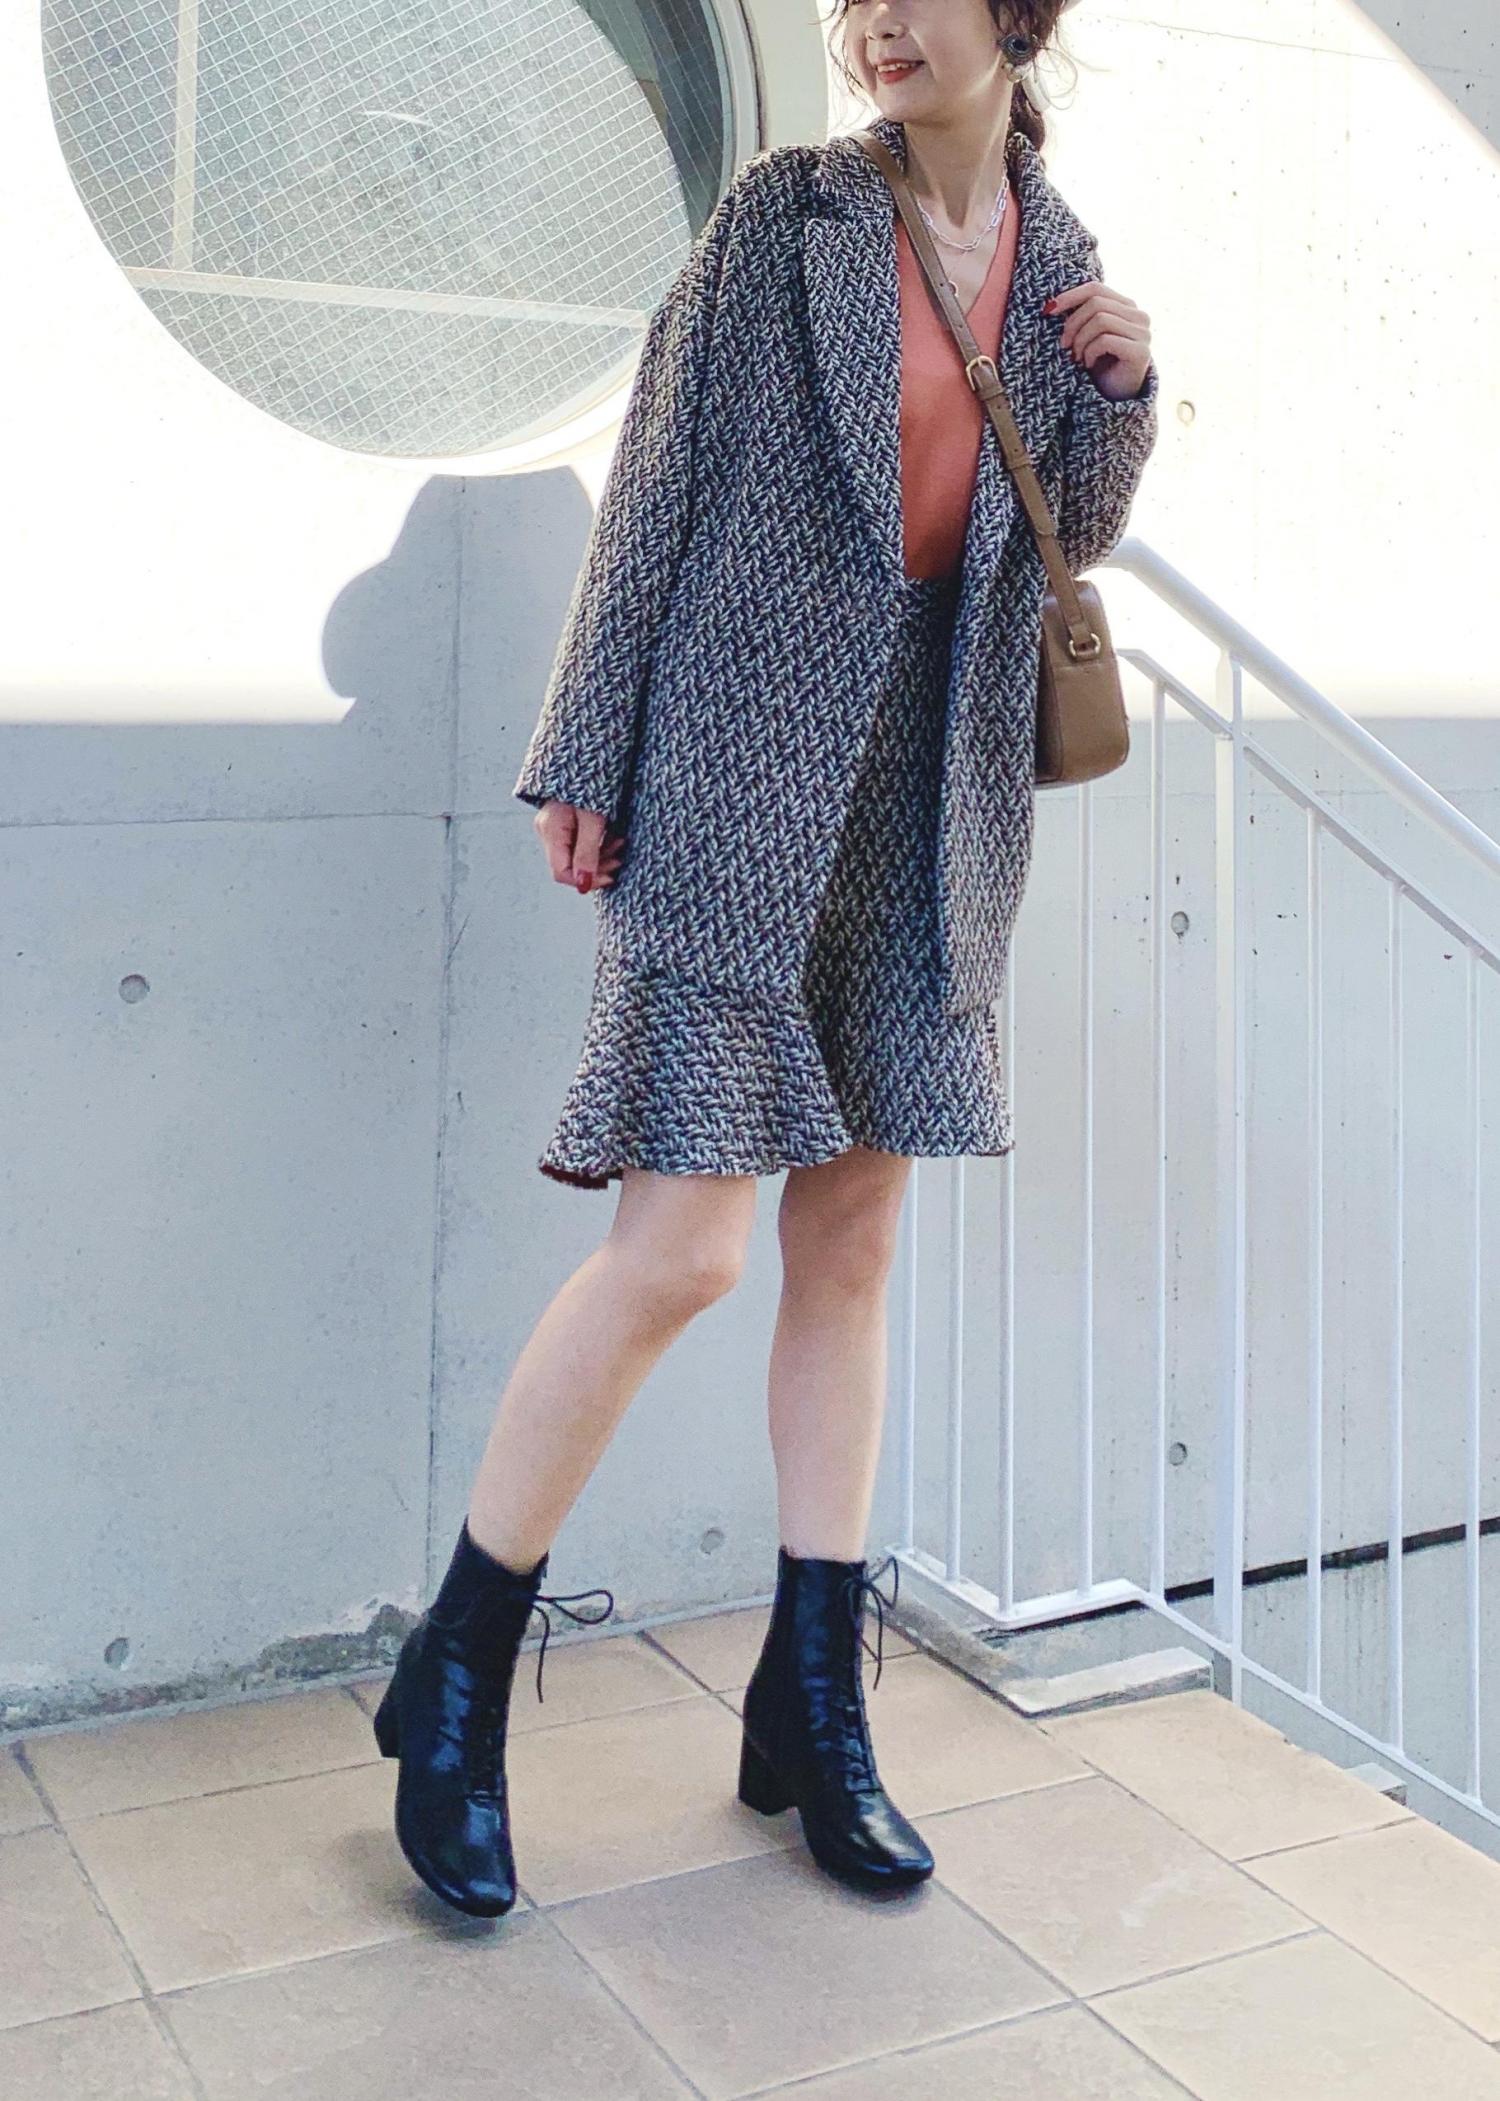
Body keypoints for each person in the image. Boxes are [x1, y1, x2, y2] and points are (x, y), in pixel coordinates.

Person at [373, 0, 1159, 1918]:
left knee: (854, 1243)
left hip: (928, 797)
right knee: (682, 1251)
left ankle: (811, 1698)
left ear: (1017, 15)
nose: (875, 21)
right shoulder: (784, 216)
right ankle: (456, 1664)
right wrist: (587, 742)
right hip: (737, 767)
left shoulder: (1062, 262)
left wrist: (1126, 394)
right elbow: (654, 477)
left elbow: (1061, 538)